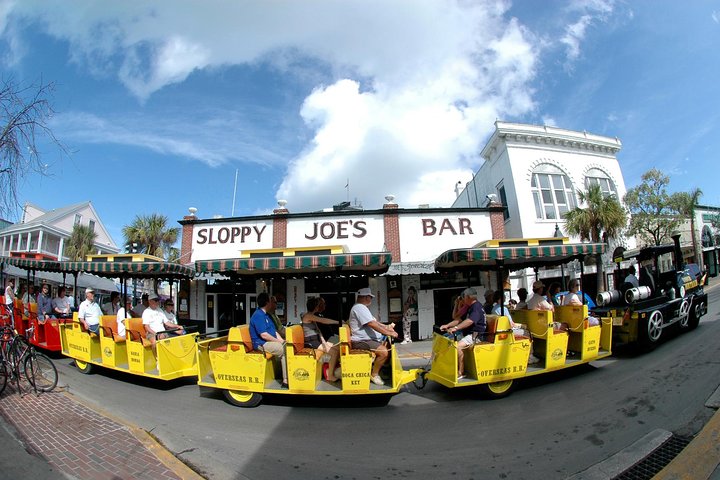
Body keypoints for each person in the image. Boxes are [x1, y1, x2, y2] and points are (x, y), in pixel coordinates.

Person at [328, 287, 398, 386]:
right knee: (384, 352)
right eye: (370, 297)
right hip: (361, 341)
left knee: (387, 346)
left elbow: (375, 322)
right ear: (366, 297)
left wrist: (387, 328)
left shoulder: (362, 308)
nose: (371, 299)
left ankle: (381, 369)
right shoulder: (359, 308)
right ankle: (374, 374)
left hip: (367, 340)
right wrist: (388, 333)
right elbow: (371, 324)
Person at [439, 287, 487, 379]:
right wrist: (447, 325)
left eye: (464, 297)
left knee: (457, 346)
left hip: (476, 336)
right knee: (448, 341)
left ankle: (461, 372)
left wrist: (455, 328)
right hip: (469, 334)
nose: (463, 299)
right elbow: (459, 320)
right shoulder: (470, 307)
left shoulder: (476, 307)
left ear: (468, 297)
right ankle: (451, 367)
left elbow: (470, 321)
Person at [249, 292, 288, 388]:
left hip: (267, 342)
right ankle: (286, 380)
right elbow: (264, 335)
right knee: (285, 350)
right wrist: (280, 342)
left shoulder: (266, 315)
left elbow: (274, 332)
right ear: (267, 303)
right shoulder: (258, 315)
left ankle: (284, 373)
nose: (272, 303)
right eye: (271, 301)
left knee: (288, 346)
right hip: (261, 344)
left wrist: (283, 341)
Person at [491, 290, 540, 364]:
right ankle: (530, 356)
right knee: (528, 333)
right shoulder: (503, 308)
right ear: (500, 297)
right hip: (508, 330)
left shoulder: (494, 308)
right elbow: (511, 324)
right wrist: (521, 325)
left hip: (502, 329)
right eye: (504, 296)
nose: (505, 297)